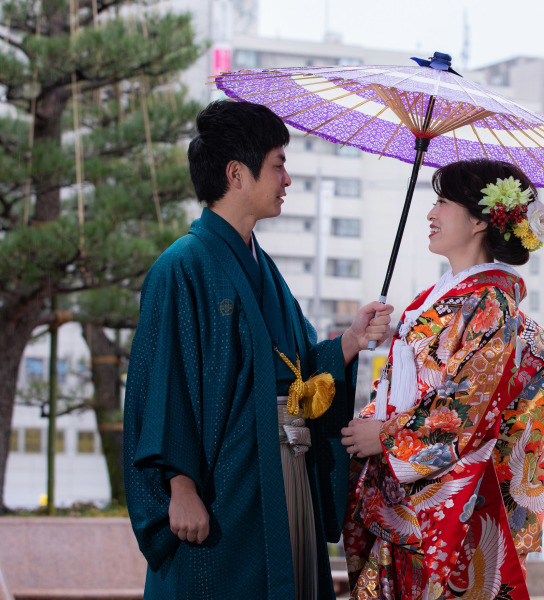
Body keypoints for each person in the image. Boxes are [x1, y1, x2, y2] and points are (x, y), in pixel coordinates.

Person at [123, 99, 393, 600]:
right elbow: (163, 386)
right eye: (278, 165)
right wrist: (179, 486)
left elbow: (298, 371)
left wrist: (350, 342)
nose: (287, 179)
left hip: (282, 469)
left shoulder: (263, 268)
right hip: (224, 483)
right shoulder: (181, 267)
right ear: (236, 174)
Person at [340, 158, 544, 599]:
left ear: (480, 220)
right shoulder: (443, 300)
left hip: (444, 505)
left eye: (441, 202)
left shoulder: (491, 307)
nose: (430, 213)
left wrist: (385, 436)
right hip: (407, 497)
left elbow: (464, 410)